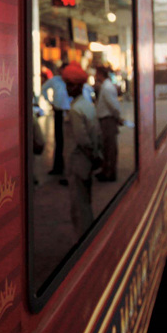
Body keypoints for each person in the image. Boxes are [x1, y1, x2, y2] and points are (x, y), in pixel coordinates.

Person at [61, 62, 101, 236]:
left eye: (70, 85)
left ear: (78, 86)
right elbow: (94, 134)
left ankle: (83, 237)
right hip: (85, 163)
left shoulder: (75, 110)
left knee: (79, 205)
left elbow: (82, 139)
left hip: (78, 162)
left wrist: (91, 155)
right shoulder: (86, 105)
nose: (67, 89)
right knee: (86, 200)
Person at [40, 63, 71, 176]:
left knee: (68, 141)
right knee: (59, 140)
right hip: (59, 112)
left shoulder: (70, 81)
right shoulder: (55, 80)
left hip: (69, 112)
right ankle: (58, 167)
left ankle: (68, 169)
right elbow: (43, 89)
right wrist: (50, 102)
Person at [95, 66, 123, 182]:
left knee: (109, 147)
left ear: (100, 74)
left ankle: (109, 172)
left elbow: (113, 105)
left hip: (108, 120)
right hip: (107, 119)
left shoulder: (106, 88)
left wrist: (118, 117)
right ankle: (106, 170)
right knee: (106, 147)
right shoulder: (106, 86)